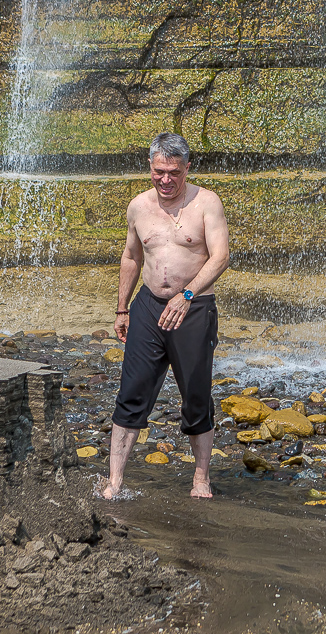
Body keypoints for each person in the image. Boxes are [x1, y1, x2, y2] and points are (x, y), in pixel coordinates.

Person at [102, 132, 230, 500]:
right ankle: (115, 482)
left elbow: (220, 256)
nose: (166, 180)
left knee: (195, 395)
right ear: (150, 166)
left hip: (193, 309)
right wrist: (122, 307)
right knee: (131, 392)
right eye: (159, 171)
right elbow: (131, 256)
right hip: (148, 307)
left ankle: (200, 479)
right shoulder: (139, 207)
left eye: (174, 172)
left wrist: (187, 295)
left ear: (187, 168)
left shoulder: (207, 203)